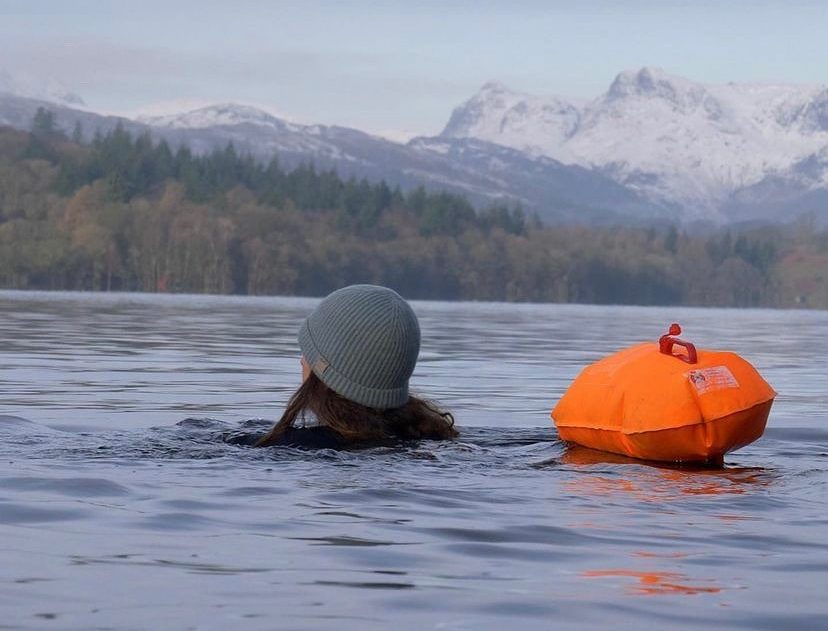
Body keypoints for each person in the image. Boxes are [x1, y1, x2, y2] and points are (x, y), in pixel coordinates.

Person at [256, 284, 457, 448]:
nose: (302, 361)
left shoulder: (295, 446)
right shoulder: (427, 438)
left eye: (309, 352)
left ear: (327, 373)